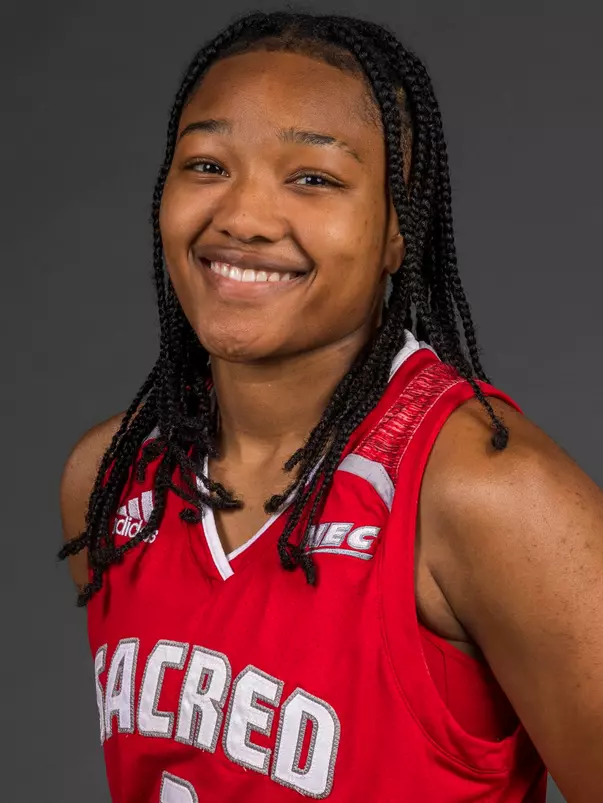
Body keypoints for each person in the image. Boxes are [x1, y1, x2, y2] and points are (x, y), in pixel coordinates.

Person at [59, 10, 603, 803]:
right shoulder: (111, 478)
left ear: (396, 229)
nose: (241, 218)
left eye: (312, 178)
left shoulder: (486, 493)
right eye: (206, 165)